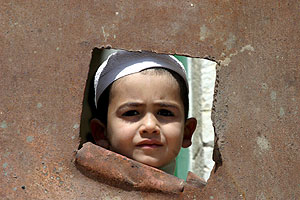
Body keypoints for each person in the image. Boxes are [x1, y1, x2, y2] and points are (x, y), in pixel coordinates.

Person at [90, 50, 197, 174]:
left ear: (187, 132)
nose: (150, 126)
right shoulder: (83, 193)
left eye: (165, 113)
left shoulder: (199, 193)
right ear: (101, 133)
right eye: (131, 113)